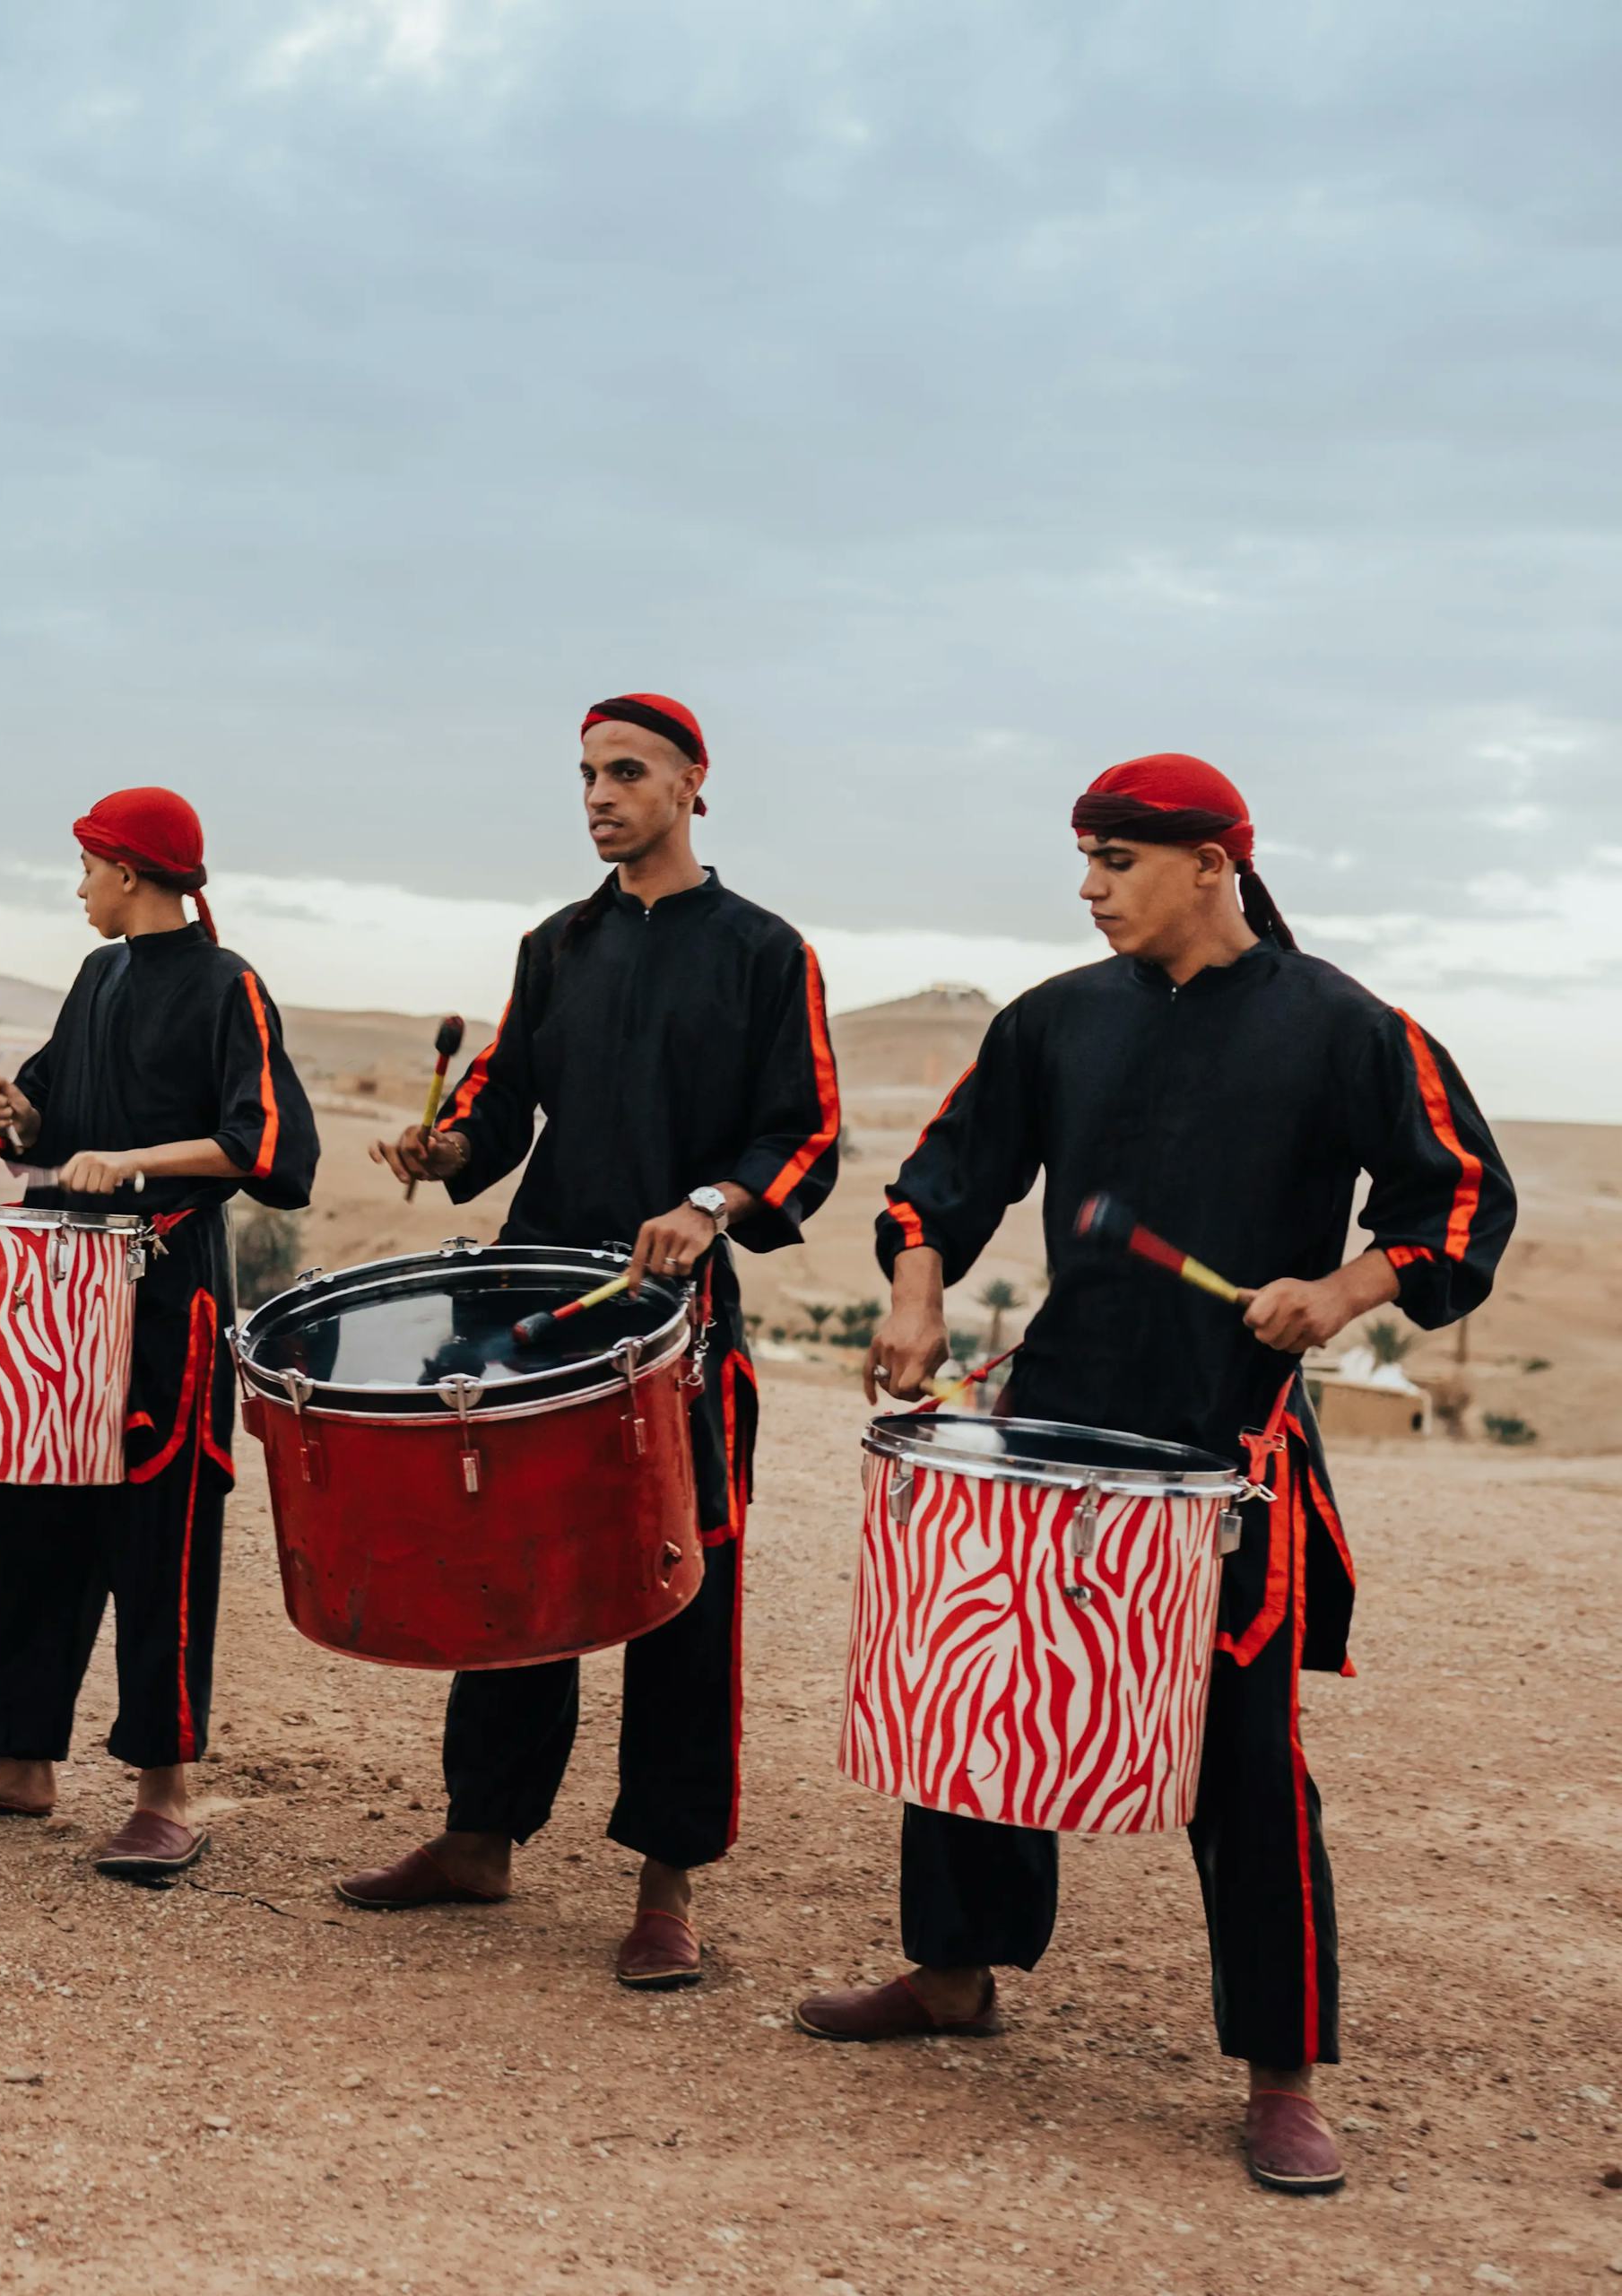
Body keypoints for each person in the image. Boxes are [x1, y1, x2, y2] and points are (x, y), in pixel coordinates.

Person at [795, 752, 1514, 2196]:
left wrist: (1345, 1285)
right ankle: (952, 1974)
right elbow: (945, 1173)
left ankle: (1282, 2072)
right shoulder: (1056, 1020)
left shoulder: (1344, 1028)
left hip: (1223, 1436)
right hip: (1059, 1414)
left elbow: (1461, 1197)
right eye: (1085, 857)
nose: (1090, 888)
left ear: (1212, 863)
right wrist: (918, 1291)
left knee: (1242, 1767)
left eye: (1116, 860)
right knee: (981, 1693)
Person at [360, 692, 839, 1987]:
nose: (598, 796)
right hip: (534, 1307)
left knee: (681, 1592)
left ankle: (667, 1885)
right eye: (584, 775)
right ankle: (478, 1838)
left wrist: (707, 1205)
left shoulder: (763, 951)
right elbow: (501, 1098)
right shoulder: (554, 945)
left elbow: (804, 1136)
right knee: (510, 1576)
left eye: (626, 773)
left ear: (693, 785)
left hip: (675, 1322)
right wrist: (447, 1143)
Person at [0, 789, 317, 1881]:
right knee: (24, 1516)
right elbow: (56, 1115)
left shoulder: (228, 986)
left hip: (168, 1300)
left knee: (156, 1533)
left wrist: (135, 1164)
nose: (78, 887)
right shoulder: (100, 975)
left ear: (129, 871)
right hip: (56, 1291)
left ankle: (164, 1793)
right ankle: (21, 1760)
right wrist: (15, 1116)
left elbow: (269, 1145)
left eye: (85, 867)